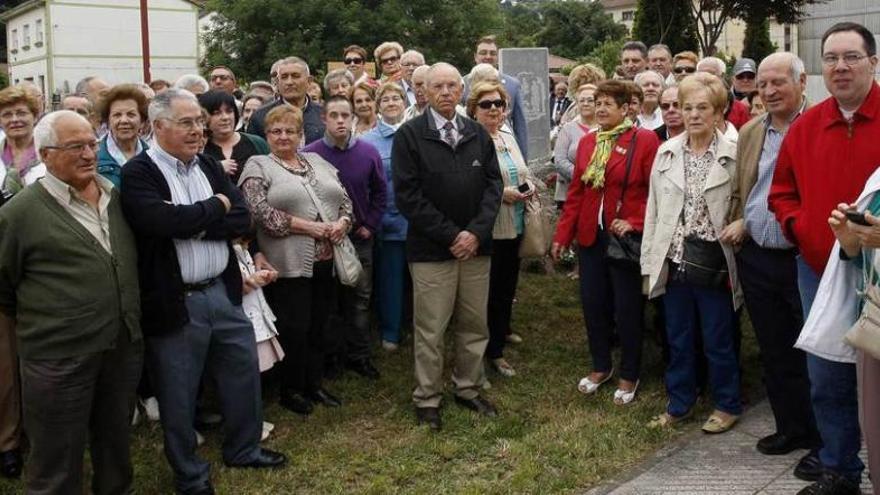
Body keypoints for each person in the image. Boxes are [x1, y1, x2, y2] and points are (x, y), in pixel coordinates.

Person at [121, 89, 286, 495]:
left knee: (242, 373)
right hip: (178, 301)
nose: (199, 129)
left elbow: (243, 218)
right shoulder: (138, 172)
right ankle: (189, 474)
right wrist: (214, 210)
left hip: (224, 291)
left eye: (200, 121)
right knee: (178, 391)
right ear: (157, 126)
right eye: (187, 122)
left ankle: (244, 449)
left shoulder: (209, 165)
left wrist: (194, 220)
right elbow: (158, 222)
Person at [0, 109, 142, 494]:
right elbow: (4, 286)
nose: (87, 154)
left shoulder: (116, 198)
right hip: (58, 356)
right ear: (45, 155)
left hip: (119, 344)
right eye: (74, 146)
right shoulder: (19, 214)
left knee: (115, 443)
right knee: (56, 458)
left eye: (91, 144)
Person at [769, 21, 880, 495]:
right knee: (827, 375)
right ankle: (839, 469)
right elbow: (782, 192)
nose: (839, 66)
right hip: (820, 269)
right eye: (831, 58)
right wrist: (804, 228)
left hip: (879, 270)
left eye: (851, 57)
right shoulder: (807, 127)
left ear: (873, 62)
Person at [723, 51, 822, 482]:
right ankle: (791, 428)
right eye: (763, 83)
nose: (769, 90)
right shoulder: (750, 131)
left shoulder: (818, 128)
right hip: (759, 256)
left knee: (816, 354)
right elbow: (744, 187)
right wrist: (740, 220)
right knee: (775, 347)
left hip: (805, 257)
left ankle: (825, 441)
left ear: (802, 82)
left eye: (779, 82)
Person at [392, 62, 503, 431]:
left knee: (474, 323)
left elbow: (493, 187)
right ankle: (427, 397)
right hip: (432, 251)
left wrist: (475, 233)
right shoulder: (409, 136)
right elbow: (409, 196)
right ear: (423, 90)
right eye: (436, 86)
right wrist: (451, 235)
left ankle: (468, 387)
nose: (444, 92)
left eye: (451, 86)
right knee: (431, 329)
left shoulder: (476, 133)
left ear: (461, 91)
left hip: (476, 249)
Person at [642, 72, 742, 433]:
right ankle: (679, 402)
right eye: (687, 108)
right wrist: (649, 261)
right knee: (678, 338)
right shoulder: (666, 152)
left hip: (713, 261)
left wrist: (741, 223)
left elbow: (744, 201)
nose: (694, 115)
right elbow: (653, 209)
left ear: (719, 112)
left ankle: (728, 404)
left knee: (718, 338)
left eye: (703, 108)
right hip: (675, 260)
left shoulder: (733, 152)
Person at [551, 79, 660, 405]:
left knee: (627, 308)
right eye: (597, 103)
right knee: (593, 303)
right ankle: (601, 366)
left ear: (626, 108)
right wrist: (562, 235)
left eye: (607, 104)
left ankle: (629, 373)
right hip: (590, 237)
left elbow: (656, 192)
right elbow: (577, 193)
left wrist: (636, 222)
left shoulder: (644, 140)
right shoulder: (588, 142)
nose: (599, 109)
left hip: (623, 238)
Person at [239, 104, 351, 415]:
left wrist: (343, 223)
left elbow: (344, 199)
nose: (283, 136)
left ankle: (314, 384)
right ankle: (291, 389)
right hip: (286, 264)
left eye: (290, 131)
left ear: (301, 135)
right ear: (267, 136)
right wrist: (309, 226)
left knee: (320, 324)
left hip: (326, 258)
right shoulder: (257, 164)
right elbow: (260, 213)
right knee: (294, 327)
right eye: (276, 131)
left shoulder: (316, 160)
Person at [303, 95, 387, 379]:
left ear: (353, 118)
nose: (340, 121)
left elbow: (380, 192)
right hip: (324, 239)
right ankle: (330, 357)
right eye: (334, 115)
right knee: (328, 303)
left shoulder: (368, 152)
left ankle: (359, 356)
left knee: (359, 300)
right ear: (324, 119)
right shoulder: (310, 155)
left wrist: (371, 225)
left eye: (346, 115)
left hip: (359, 238)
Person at [468, 81, 536, 378]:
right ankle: (489, 352)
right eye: (486, 105)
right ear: (473, 110)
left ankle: (500, 337)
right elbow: (469, 185)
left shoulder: (507, 136)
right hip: (489, 228)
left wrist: (528, 186)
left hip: (516, 223)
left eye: (498, 104)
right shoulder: (470, 141)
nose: (494, 109)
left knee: (507, 287)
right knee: (488, 292)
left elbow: (522, 169)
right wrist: (502, 194)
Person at [362, 83, 409, 351]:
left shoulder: (418, 133)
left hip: (421, 221)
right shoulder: (368, 141)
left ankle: (414, 325)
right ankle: (390, 331)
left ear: (404, 102)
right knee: (390, 279)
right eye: (386, 99)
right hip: (388, 221)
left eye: (397, 98)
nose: (392, 102)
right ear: (377, 106)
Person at [469, 35, 529, 160]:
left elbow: (520, 126)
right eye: (483, 53)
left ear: (497, 57)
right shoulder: (461, 84)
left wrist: (523, 159)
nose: (488, 56)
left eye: (492, 53)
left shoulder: (513, 85)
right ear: (475, 56)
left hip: (506, 149)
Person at [247, 56, 324, 143]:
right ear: (277, 82)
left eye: (295, 76)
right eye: (284, 77)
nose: (289, 82)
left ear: (309, 81)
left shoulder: (324, 115)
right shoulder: (260, 117)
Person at [198, 90, 269, 184]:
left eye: (229, 111)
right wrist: (216, 169)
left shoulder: (257, 143)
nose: (225, 117)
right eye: (217, 113)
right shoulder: (198, 148)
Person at [95, 84, 150, 188]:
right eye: (117, 115)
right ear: (107, 121)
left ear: (142, 121)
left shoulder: (153, 157)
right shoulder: (94, 157)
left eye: (131, 114)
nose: (124, 120)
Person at [553, 84, 597, 207]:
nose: (585, 103)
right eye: (581, 100)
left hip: (599, 192)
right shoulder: (568, 128)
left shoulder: (606, 128)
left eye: (590, 100)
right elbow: (560, 160)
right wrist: (583, 176)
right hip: (570, 191)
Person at [0, 86, 42, 191]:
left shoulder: (50, 153)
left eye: (21, 113)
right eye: (7, 115)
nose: (14, 120)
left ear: (35, 117)